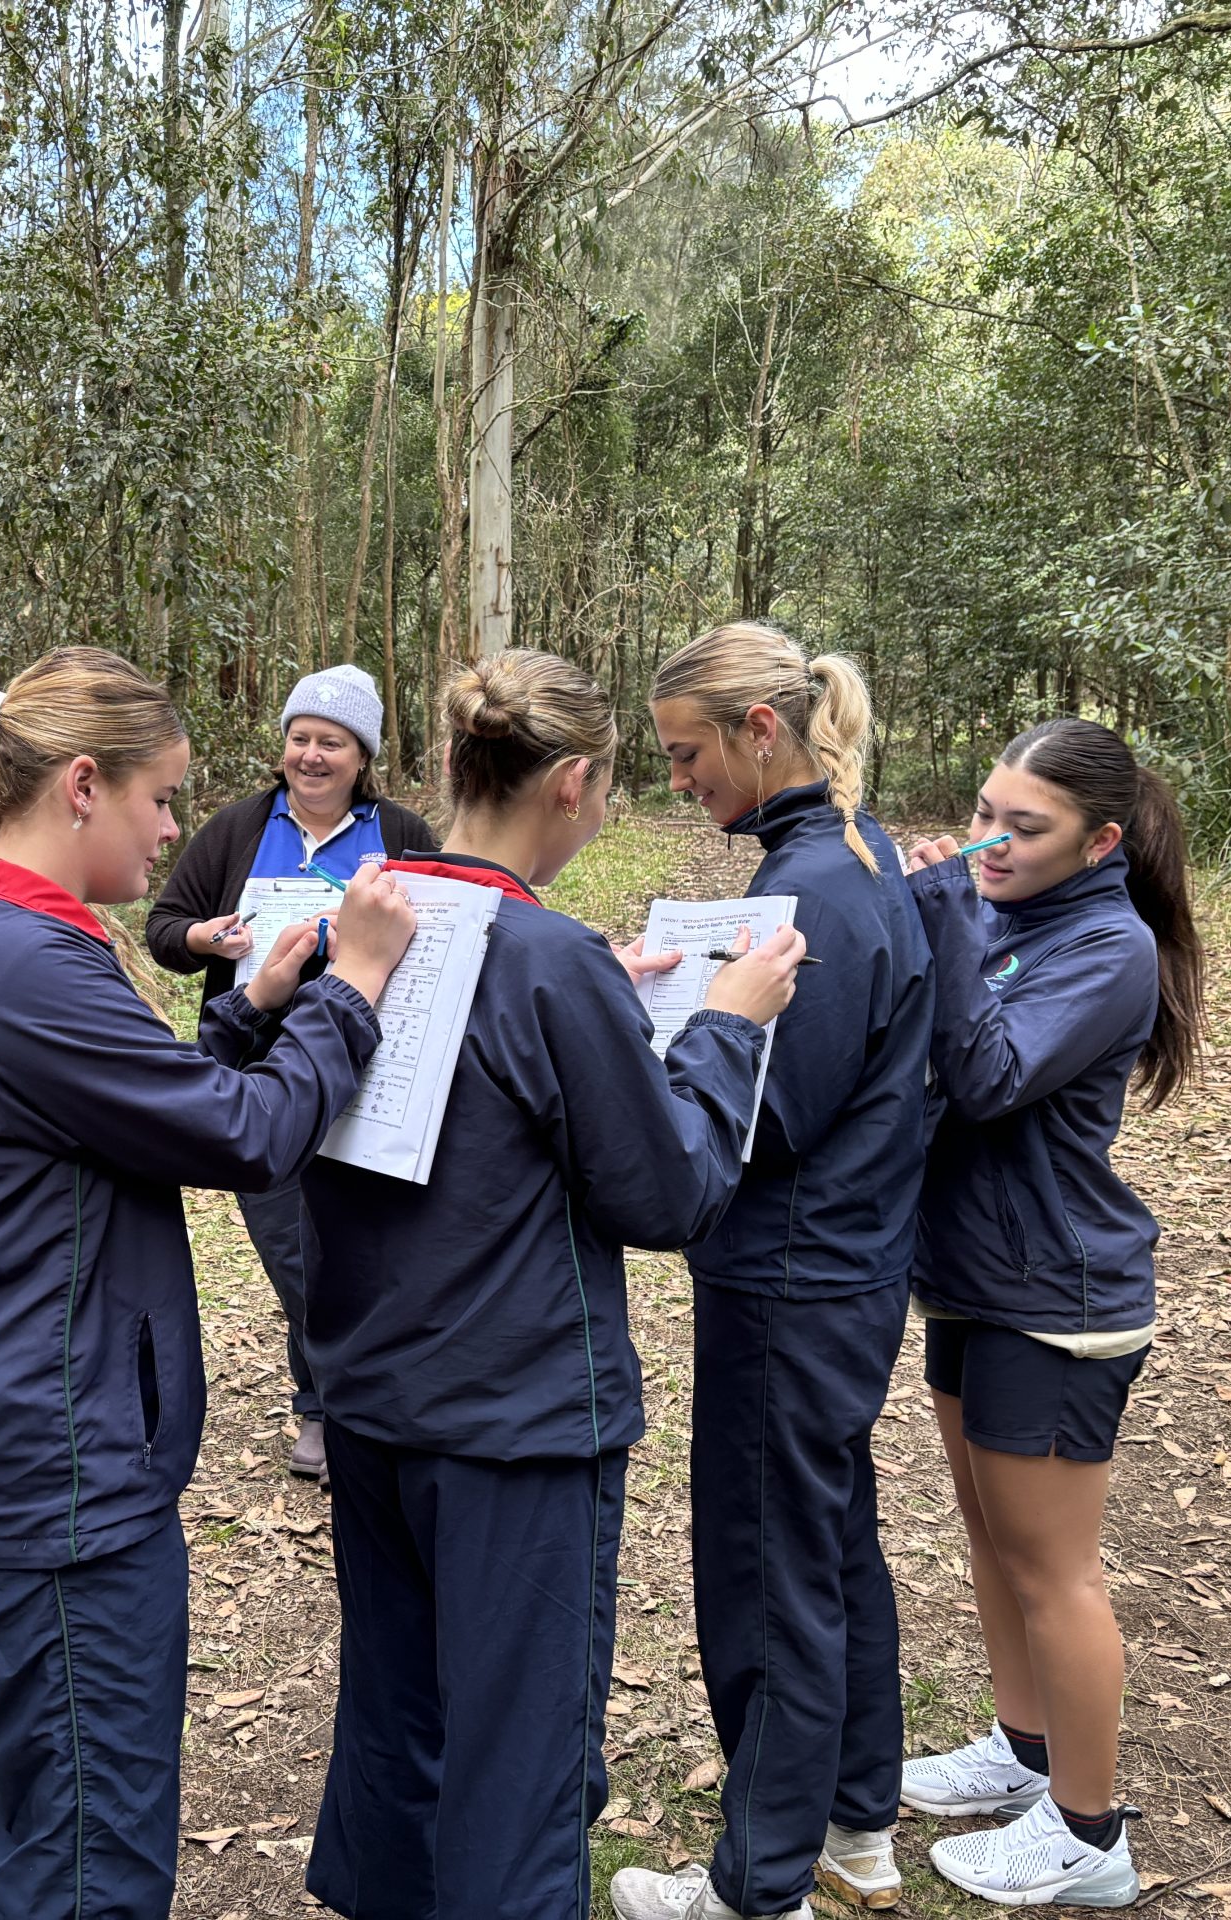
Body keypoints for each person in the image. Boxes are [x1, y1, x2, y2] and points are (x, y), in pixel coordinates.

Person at [0, 647, 418, 1920]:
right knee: (87, 1844)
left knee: (34, 1796)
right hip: (40, 1477)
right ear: (85, 787)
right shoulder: (23, 963)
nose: (173, 832)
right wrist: (355, 989)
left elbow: (124, 1111)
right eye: (161, 799)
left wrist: (249, 1008)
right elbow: (243, 1138)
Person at [295, 651, 805, 1920]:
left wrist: (607, 1011)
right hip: (514, 1422)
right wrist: (730, 1022)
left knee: (397, 1705)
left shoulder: (363, 921)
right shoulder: (545, 958)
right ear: (571, 783)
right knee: (520, 1752)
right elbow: (667, 1193)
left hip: (369, 1393)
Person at [612, 623, 934, 1920]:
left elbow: (768, 1118)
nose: (679, 781)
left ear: (759, 731)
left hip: (791, 1288)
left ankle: (757, 1889)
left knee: (764, 1578)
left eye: (688, 755)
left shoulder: (816, 897)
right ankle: (857, 1827)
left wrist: (670, 1054)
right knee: (832, 1546)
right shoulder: (850, 861)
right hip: (840, 1275)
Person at [892, 720, 1204, 1909]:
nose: (990, 842)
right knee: (992, 1540)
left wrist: (948, 920)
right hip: (975, 1278)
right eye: (984, 814)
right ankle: (1021, 1750)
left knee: (1054, 1569)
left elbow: (984, 1076)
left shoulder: (1105, 944)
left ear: (1101, 840)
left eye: (1024, 828)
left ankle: (1086, 1835)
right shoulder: (1015, 917)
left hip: (1054, 1300)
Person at [145, 662, 437, 1479]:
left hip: (374, 1065)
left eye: (332, 744)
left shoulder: (403, 833)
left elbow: (447, 931)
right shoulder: (237, 830)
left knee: (371, 1237)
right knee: (288, 1246)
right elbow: (163, 927)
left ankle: (375, 1392)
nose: (312, 757)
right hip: (257, 1063)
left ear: (362, 757)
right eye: (300, 739)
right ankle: (320, 1402)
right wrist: (210, 940)